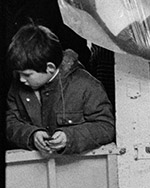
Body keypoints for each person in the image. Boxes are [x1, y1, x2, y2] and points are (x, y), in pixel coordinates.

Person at [6, 23, 115, 153]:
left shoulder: (86, 86)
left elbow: (106, 127)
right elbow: (10, 122)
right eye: (19, 73)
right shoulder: (18, 86)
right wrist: (31, 135)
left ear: (50, 68)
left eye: (27, 74)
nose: (21, 79)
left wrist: (69, 137)